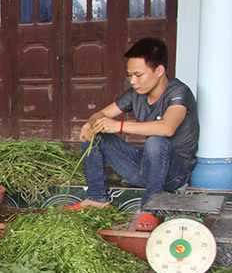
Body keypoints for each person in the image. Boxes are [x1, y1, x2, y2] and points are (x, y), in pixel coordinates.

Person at [66, 37, 199, 231]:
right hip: (146, 167)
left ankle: (151, 209)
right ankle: (97, 198)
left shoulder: (179, 92)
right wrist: (91, 123)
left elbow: (166, 128)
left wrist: (119, 126)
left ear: (159, 71)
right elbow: (102, 114)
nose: (132, 81)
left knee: (156, 140)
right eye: (130, 75)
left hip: (174, 174)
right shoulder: (136, 93)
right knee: (94, 133)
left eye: (138, 75)